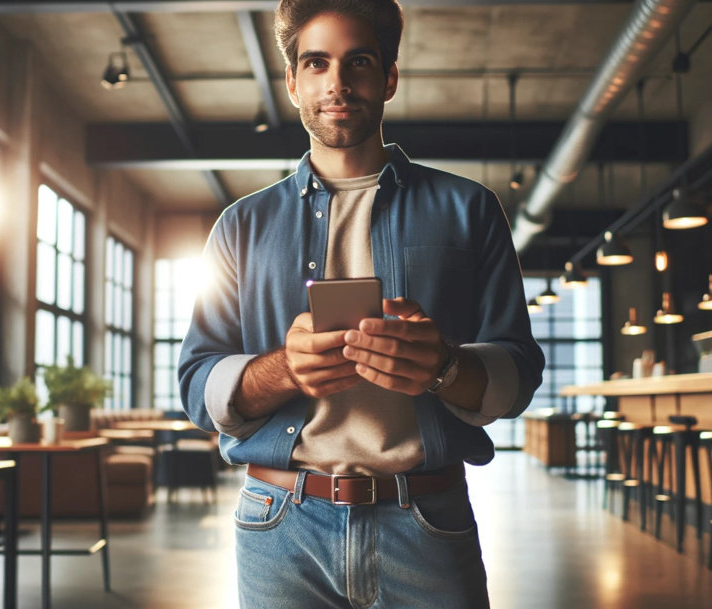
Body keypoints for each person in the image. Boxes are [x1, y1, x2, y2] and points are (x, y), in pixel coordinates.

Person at [178, 0, 544, 606]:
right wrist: (285, 369)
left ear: (389, 77)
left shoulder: (471, 210)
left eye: (359, 62)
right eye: (316, 63)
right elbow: (196, 386)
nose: (338, 83)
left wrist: (445, 369)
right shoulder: (238, 227)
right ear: (293, 82)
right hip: (278, 526)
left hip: (428, 520)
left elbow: (519, 371)